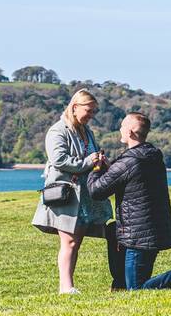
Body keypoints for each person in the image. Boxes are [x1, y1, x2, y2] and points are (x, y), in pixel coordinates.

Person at [88, 112, 171, 290]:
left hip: (137, 235)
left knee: (137, 289)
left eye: (123, 126)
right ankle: (120, 288)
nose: (120, 129)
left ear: (132, 132)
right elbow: (132, 181)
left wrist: (96, 168)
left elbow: (96, 191)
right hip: (153, 229)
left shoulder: (128, 162)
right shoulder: (152, 157)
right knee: (134, 285)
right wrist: (110, 169)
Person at [31, 89, 113, 294]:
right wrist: (89, 161)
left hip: (83, 195)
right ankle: (65, 287)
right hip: (65, 194)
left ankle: (68, 285)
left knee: (75, 242)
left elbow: (90, 156)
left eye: (94, 111)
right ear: (75, 107)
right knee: (69, 241)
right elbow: (59, 160)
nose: (92, 115)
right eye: (89, 110)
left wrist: (100, 162)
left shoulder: (87, 131)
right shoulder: (58, 131)